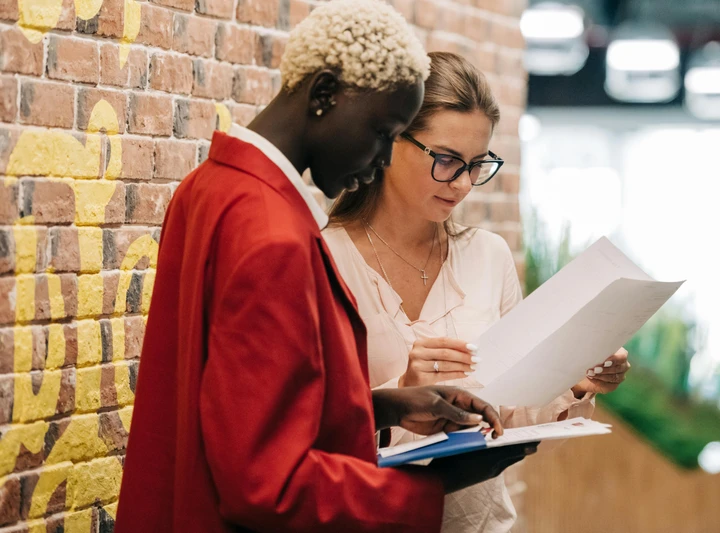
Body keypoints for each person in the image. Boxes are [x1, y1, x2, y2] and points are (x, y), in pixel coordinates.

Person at [115, 4, 536, 532]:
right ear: (323, 95)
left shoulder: (208, 187)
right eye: (382, 131)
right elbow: (267, 486)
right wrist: (436, 485)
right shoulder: (275, 234)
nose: (381, 157)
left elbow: (237, 408)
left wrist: (381, 406)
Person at [324, 51, 632, 533]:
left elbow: (511, 417)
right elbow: (306, 436)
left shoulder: (488, 257)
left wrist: (576, 380)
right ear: (389, 140)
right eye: (446, 161)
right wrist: (401, 396)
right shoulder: (325, 259)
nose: (464, 184)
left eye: (477, 163)